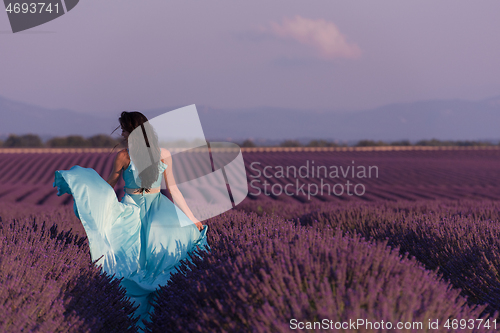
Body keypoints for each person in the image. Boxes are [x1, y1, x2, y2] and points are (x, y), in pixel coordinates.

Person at [53, 111, 208, 329]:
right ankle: (135, 320)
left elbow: (174, 190)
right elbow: (108, 187)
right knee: (132, 262)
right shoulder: (126, 156)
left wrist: (192, 218)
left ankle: (158, 318)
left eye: (125, 130)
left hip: (154, 210)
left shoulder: (160, 154)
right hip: (132, 212)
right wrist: (88, 197)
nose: (123, 134)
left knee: (158, 260)